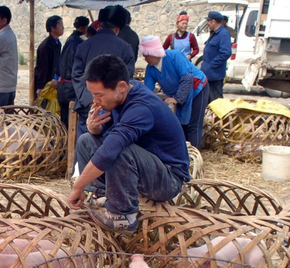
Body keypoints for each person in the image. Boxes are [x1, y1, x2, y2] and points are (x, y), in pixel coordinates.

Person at [68, 54, 189, 232]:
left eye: (99, 95)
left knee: (117, 150)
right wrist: (94, 129)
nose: (95, 101)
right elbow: (107, 136)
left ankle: (122, 216)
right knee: (86, 140)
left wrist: (78, 185)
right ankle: (100, 195)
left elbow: (110, 150)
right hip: (142, 166)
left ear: (122, 86)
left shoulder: (141, 108)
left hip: (168, 178)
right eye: (93, 94)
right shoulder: (121, 96)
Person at [72, 5, 135, 139]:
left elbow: (76, 75)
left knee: (84, 142)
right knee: (110, 143)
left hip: (87, 105)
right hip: (113, 107)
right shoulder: (125, 48)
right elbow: (127, 79)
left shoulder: (83, 46)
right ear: (117, 29)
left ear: (99, 25)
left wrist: (90, 100)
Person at [141, 36, 209, 148]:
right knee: (179, 124)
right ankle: (183, 151)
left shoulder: (175, 56)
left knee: (193, 125)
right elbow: (148, 91)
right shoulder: (150, 69)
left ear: (152, 53)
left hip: (197, 88)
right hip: (177, 93)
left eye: (146, 55)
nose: (145, 59)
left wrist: (177, 98)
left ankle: (193, 154)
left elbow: (187, 77)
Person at [57, 16, 89, 127]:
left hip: (62, 84)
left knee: (64, 118)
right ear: (84, 28)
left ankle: (64, 136)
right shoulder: (80, 43)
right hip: (72, 86)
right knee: (73, 119)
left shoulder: (69, 40)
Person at [201, 11, 232, 102]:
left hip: (215, 75)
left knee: (216, 101)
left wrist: (212, 65)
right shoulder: (214, 33)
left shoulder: (223, 34)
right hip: (208, 74)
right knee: (207, 100)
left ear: (213, 21)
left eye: (208, 21)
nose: (208, 23)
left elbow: (225, 53)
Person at [34, 15, 64, 98]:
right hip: (45, 83)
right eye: (61, 25)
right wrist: (40, 86)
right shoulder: (45, 46)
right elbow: (42, 67)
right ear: (53, 28)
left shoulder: (58, 43)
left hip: (52, 81)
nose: (63, 28)